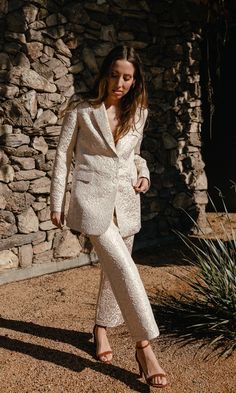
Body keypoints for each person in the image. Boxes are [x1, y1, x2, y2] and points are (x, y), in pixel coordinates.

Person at [50, 45, 167, 389]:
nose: (120, 83)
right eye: (114, 75)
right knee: (125, 268)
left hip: (127, 203)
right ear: (104, 73)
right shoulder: (83, 110)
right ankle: (145, 348)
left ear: (135, 80)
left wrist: (144, 174)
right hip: (92, 202)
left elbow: (135, 155)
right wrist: (57, 201)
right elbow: (62, 156)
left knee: (113, 274)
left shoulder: (139, 111)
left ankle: (100, 329)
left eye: (127, 77)